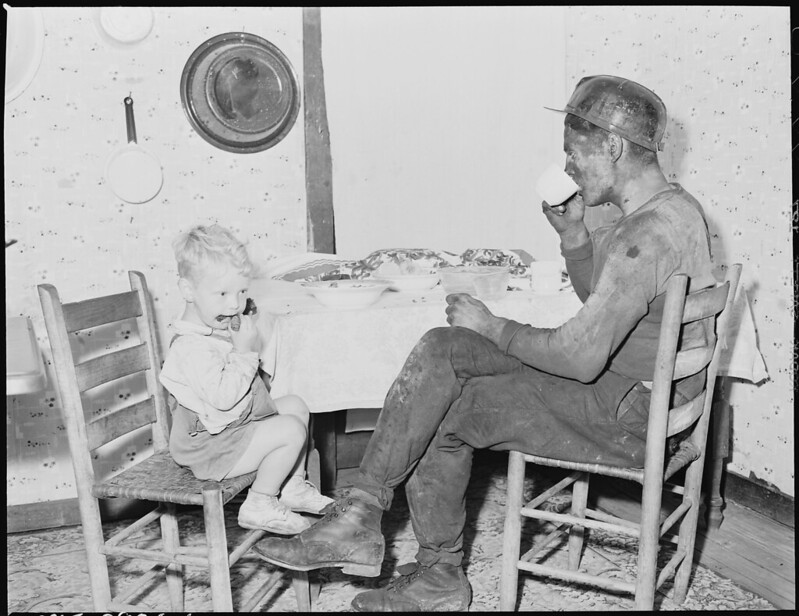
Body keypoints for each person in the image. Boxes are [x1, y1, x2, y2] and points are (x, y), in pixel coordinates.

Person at [253, 75, 717, 611]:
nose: (567, 167)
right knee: (446, 344)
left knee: (447, 415)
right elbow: (612, 307)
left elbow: (582, 356)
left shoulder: (645, 233)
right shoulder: (674, 211)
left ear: (612, 145)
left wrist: (495, 326)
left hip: (630, 413)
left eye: (573, 152)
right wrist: (573, 238)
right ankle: (361, 512)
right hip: (637, 390)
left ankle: (439, 576)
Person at [159, 224, 333, 535]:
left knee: (296, 406)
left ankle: (291, 486)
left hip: (228, 430)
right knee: (290, 430)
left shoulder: (209, 329)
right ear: (187, 290)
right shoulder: (189, 347)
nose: (234, 304)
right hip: (208, 448)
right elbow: (225, 397)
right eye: (222, 293)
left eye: (241, 291)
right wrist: (244, 353)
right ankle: (259, 503)